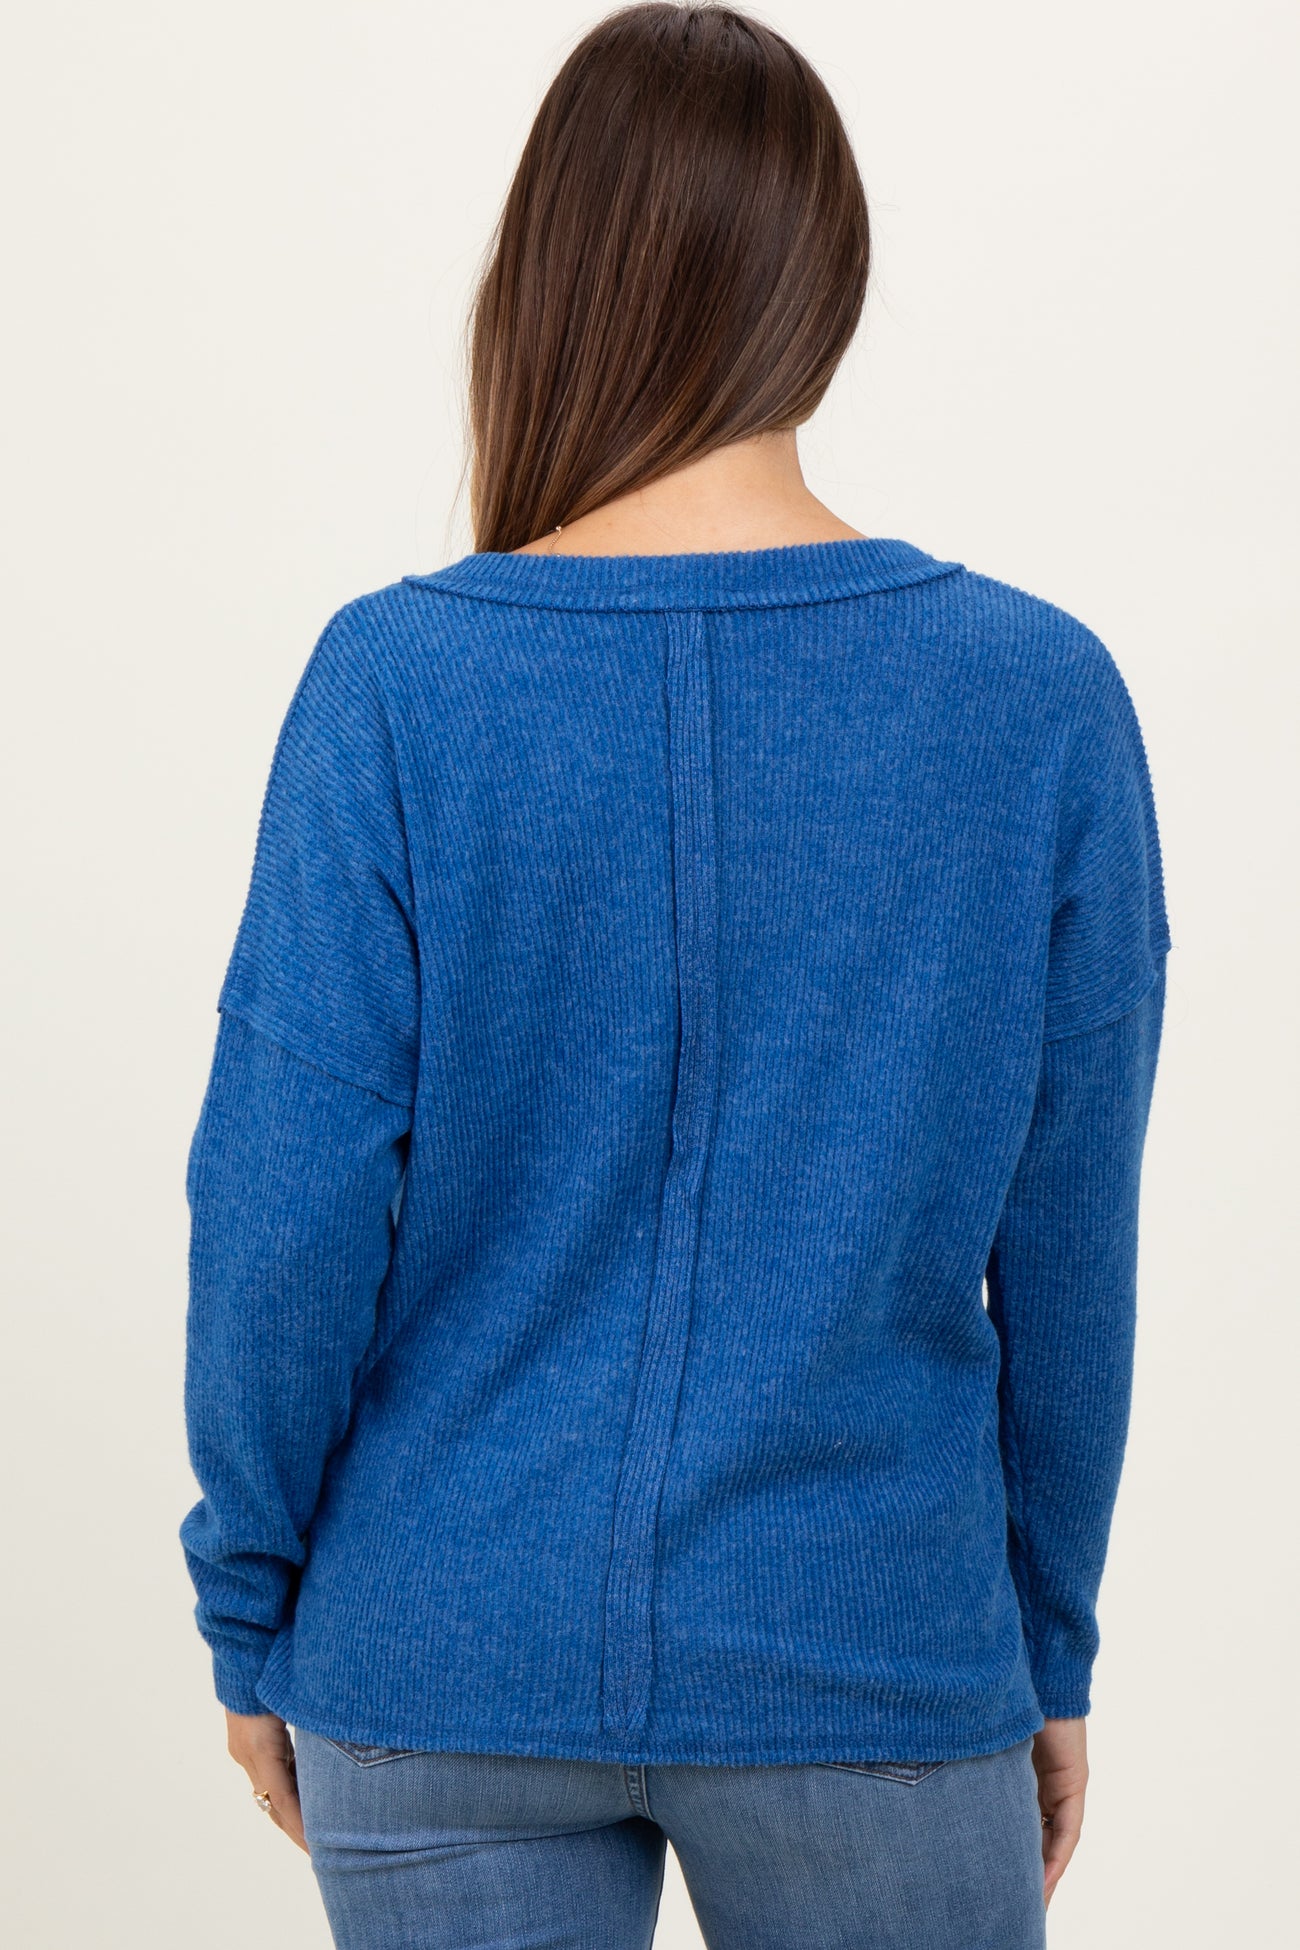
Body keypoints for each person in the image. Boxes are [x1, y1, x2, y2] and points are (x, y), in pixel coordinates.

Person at [179, 6, 1171, 1946]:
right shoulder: (1036, 700)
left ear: (538, 277)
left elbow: (283, 1203)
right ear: (829, 285)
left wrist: (256, 1599)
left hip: (439, 1639)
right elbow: (1069, 1241)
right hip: (871, 1650)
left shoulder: (397, 683)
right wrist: (1042, 1641)